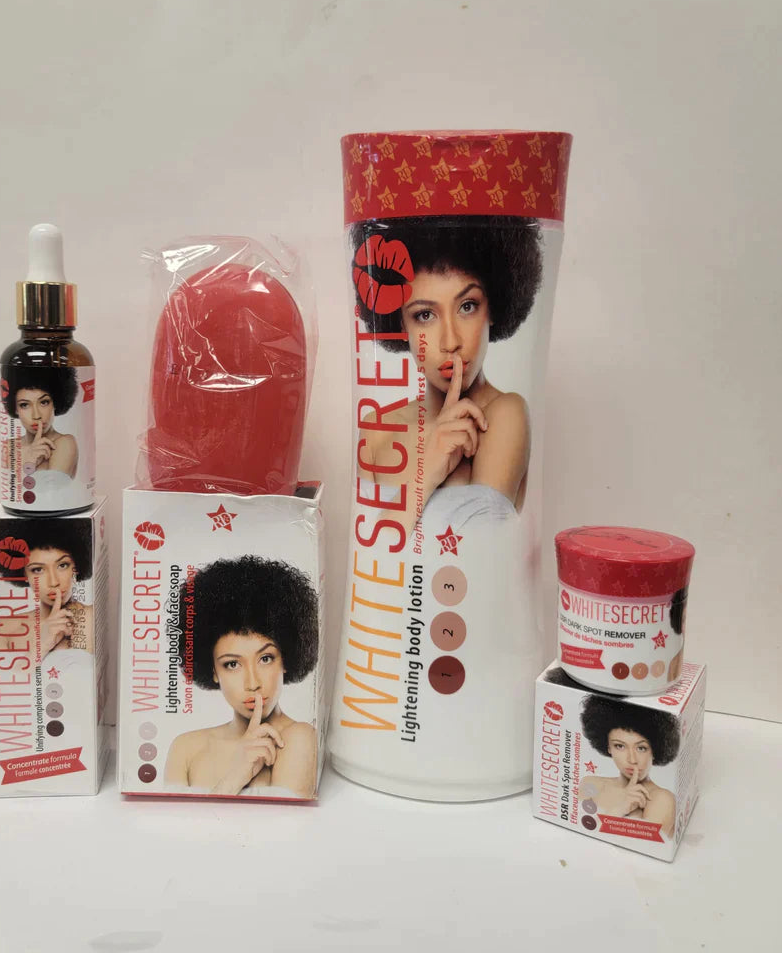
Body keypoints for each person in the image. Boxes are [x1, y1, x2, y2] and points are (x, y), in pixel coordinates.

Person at [352, 216, 542, 529]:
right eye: (424, 315)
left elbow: (480, 544)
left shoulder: (504, 415)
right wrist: (428, 468)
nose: (451, 341)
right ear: (400, 325)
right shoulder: (377, 430)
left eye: (467, 306)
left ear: (493, 307)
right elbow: (374, 549)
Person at [164, 555, 318, 798]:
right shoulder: (185, 748)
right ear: (213, 671)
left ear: (286, 659)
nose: (253, 683)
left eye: (265, 658)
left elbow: (286, 820)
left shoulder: (297, 738)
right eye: (232, 664)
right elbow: (171, 821)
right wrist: (236, 775)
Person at [0, 517, 94, 657]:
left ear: (77, 566)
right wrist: (42, 644)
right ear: (23, 574)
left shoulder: (93, 618)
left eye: (63, 565)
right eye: (38, 570)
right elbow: (2, 671)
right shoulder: (6, 630)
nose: (53, 582)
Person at [579, 693, 680, 836]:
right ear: (608, 748)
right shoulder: (590, 783)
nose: (632, 759)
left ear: (655, 750)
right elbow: (575, 827)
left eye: (641, 748)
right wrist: (619, 808)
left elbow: (646, 845)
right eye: (620, 746)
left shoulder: (662, 799)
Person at [3, 366, 79, 478]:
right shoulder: (8, 447)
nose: (36, 415)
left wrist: (24, 464)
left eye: (44, 402)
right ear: (15, 409)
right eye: (24, 405)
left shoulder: (65, 443)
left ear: (55, 403)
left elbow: (55, 487)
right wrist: (28, 459)